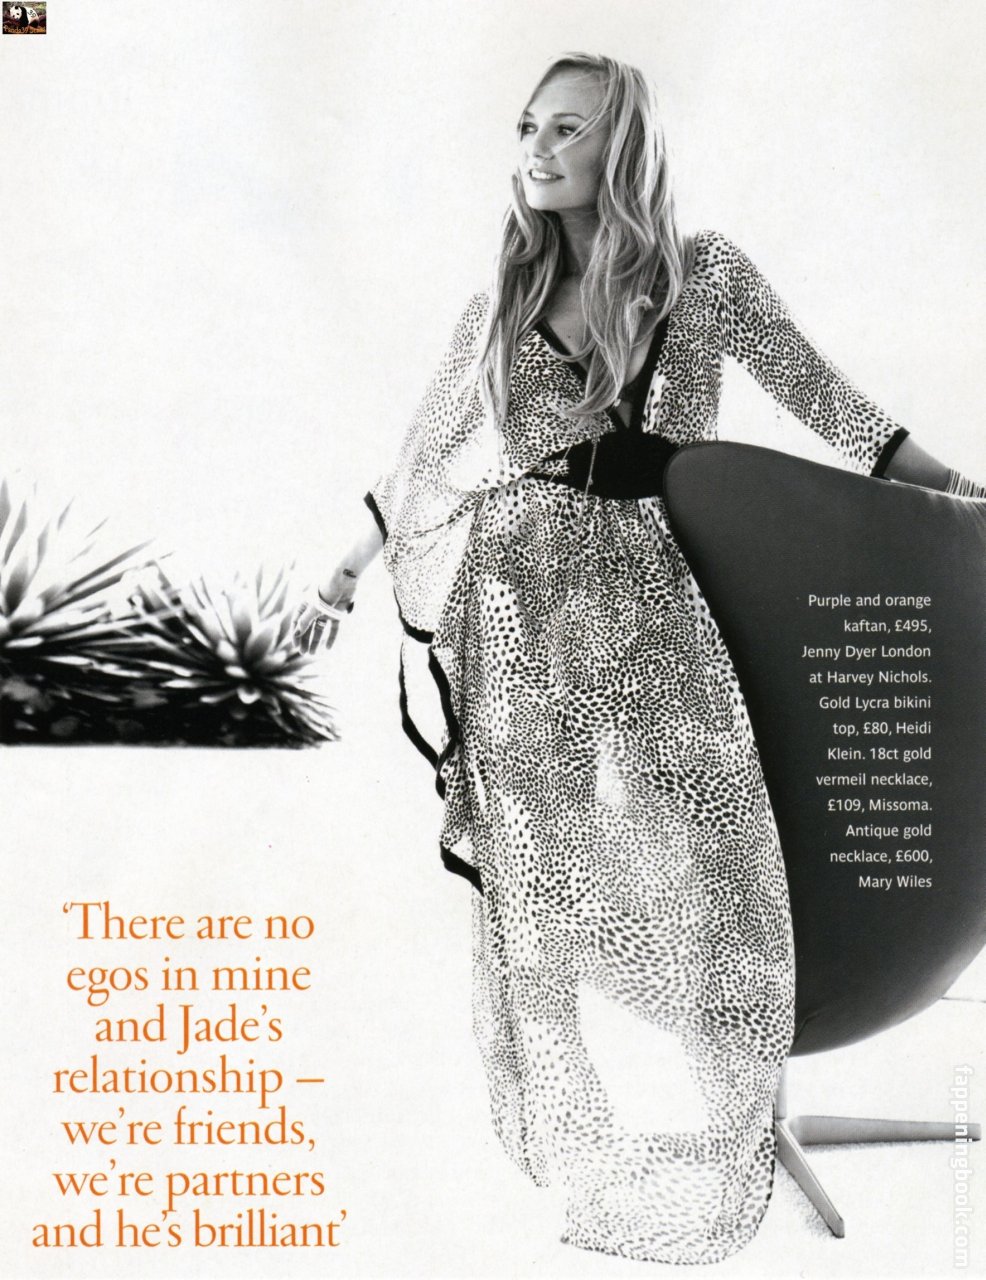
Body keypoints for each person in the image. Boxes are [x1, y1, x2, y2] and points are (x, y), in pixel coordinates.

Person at [296, 53, 983, 1264]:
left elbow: (825, 400)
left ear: (620, 143)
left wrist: (961, 493)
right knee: (540, 879)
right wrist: (343, 573)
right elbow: (422, 453)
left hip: (660, 598)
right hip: (517, 607)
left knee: (716, 859)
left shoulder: (702, 274)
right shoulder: (501, 304)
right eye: (526, 125)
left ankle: (739, 1117)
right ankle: (580, 1149)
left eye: (565, 127)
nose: (535, 146)